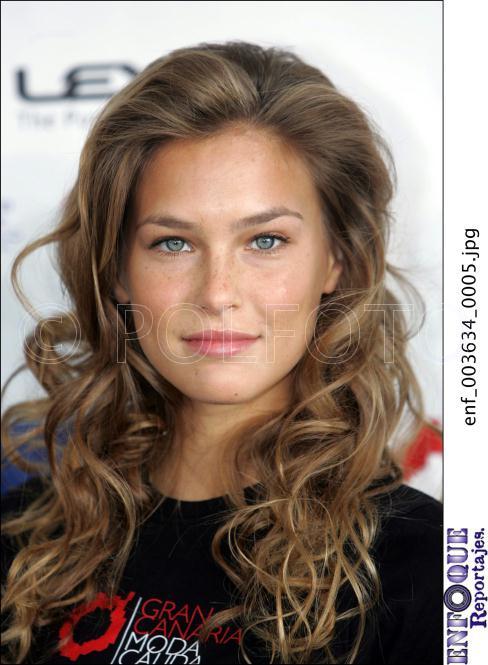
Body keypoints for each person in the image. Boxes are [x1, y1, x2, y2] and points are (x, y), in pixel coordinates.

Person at [1, 40, 442, 664]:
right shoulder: (27, 541)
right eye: (173, 243)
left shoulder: (431, 567)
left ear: (336, 260)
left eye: (265, 240)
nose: (216, 294)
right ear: (117, 271)